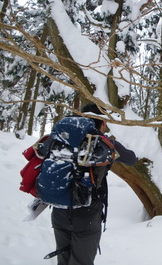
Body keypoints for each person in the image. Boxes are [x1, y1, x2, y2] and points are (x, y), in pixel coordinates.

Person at [51, 103, 136, 265]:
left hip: (59, 211)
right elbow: (131, 159)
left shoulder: (63, 139)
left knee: (63, 261)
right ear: (103, 122)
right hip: (86, 216)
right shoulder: (104, 142)